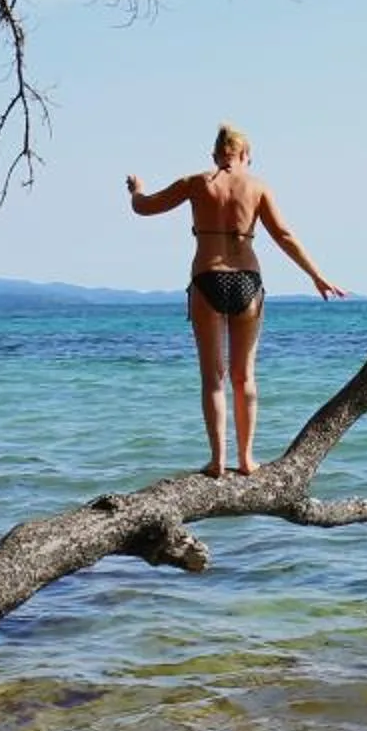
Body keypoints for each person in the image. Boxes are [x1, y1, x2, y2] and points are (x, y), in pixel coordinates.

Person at [126, 123, 347, 477]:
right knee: (244, 377)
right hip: (247, 281)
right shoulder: (258, 187)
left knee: (213, 378)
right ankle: (246, 460)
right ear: (246, 156)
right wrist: (316, 275)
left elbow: (145, 207)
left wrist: (137, 190)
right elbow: (284, 235)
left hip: (207, 278)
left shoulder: (196, 183)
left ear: (215, 155)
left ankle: (217, 462)